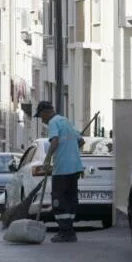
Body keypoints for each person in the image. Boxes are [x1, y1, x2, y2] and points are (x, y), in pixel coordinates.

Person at [34, 101, 85, 243]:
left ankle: (65, 232)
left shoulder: (53, 122)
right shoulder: (65, 121)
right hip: (75, 168)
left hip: (62, 168)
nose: (42, 120)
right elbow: (80, 141)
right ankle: (69, 231)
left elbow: (54, 141)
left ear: (45, 112)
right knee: (69, 199)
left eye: (40, 116)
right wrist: (70, 151)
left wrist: (48, 159)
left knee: (58, 199)